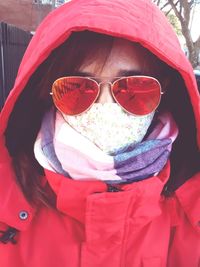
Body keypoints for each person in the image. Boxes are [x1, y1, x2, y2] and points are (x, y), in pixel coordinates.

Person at [0, 0, 199, 266]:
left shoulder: (191, 215)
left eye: (135, 88)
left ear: (164, 93)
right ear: (48, 94)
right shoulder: (7, 202)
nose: (105, 106)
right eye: (77, 88)